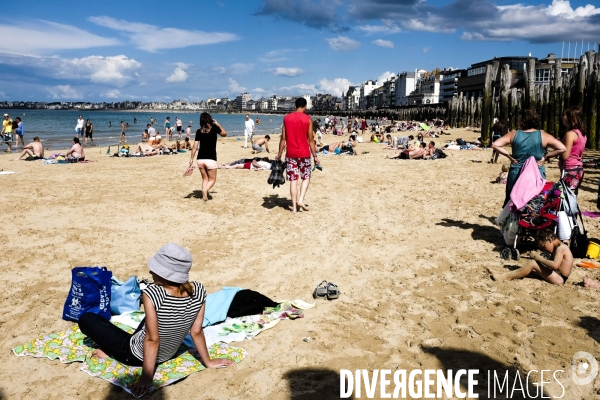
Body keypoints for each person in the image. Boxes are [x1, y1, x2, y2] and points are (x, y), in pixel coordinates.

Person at [78, 243, 233, 397]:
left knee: (87, 319)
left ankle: (109, 351)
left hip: (133, 354)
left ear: (165, 274)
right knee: (152, 317)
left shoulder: (152, 294)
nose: (151, 272)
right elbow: (196, 331)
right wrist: (208, 362)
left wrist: (146, 379)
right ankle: (113, 347)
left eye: (156, 269)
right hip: (169, 353)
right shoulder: (199, 290)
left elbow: (153, 340)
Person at [492, 110, 566, 206]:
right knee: (535, 201)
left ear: (523, 121)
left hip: (517, 170)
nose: (518, 121)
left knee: (513, 201)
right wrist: (545, 157)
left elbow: (495, 145)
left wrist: (509, 156)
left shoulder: (514, 134)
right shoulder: (543, 135)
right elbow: (562, 148)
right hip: (536, 171)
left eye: (519, 119)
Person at [275, 97, 319, 213]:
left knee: (293, 180)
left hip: (290, 154)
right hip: (304, 153)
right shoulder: (307, 118)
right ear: (305, 106)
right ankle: (300, 200)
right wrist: (315, 156)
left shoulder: (286, 118)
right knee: (306, 177)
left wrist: (279, 153)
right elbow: (310, 139)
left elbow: (283, 138)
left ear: (295, 105)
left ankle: (294, 208)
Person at [487, 229, 572, 285]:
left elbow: (555, 265)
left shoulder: (561, 248)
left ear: (549, 240)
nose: (544, 250)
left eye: (543, 246)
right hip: (556, 275)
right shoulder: (557, 248)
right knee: (531, 269)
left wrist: (537, 257)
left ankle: (506, 277)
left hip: (560, 279)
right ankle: (501, 273)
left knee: (533, 263)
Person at [189, 113, 227, 202]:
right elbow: (224, 134)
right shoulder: (214, 129)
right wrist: (218, 124)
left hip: (200, 159)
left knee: (205, 178)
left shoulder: (199, 131)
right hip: (211, 158)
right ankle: (205, 190)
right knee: (212, 179)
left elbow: (194, 147)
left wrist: (191, 159)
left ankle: (204, 196)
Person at [559, 106, 587, 194]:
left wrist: (557, 146)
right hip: (578, 168)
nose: (563, 117)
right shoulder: (582, 134)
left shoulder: (570, 134)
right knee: (573, 197)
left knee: (567, 198)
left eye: (565, 115)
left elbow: (565, 155)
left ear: (571, 117)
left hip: (569, 169)